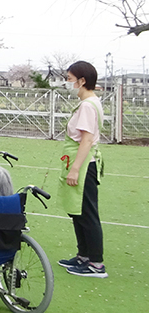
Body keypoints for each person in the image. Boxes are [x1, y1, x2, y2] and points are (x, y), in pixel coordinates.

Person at [57, 61, 107, 278]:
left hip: (85, 164)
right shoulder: (90, 102)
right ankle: (83, 255)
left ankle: (96, 263)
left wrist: (75, 169)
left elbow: (86, 140)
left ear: (82, 81)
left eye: (69, 79)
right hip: (80, 162)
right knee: (78, 211)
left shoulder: (88, 105)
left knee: (86, 212)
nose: (67, 83)